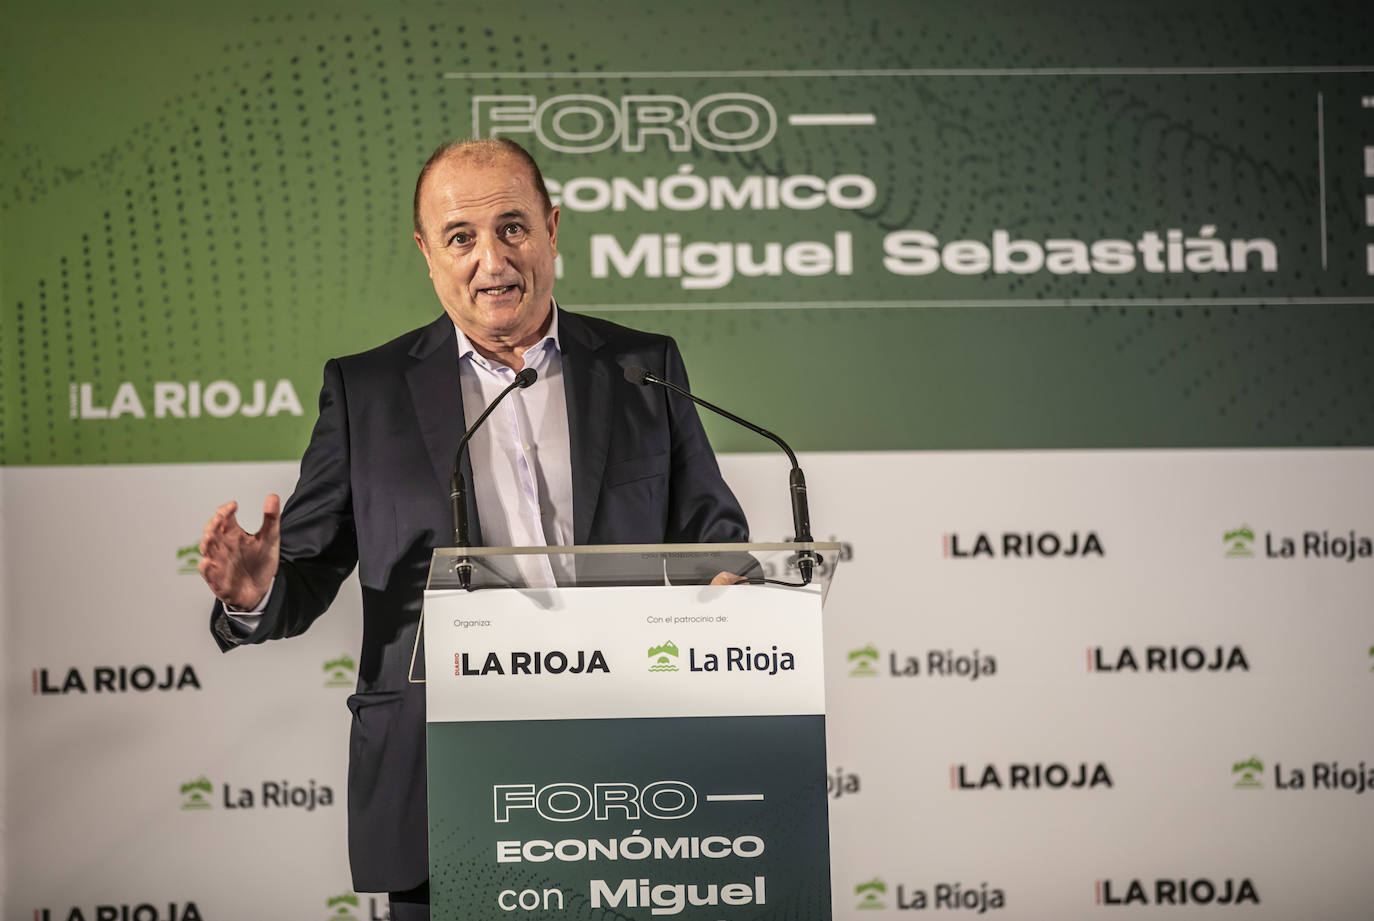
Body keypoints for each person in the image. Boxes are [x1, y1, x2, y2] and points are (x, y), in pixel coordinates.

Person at [197, 138, 750, 918]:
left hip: (627, 766)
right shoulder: (368, 391)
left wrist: (733, 596)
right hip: (442, 774)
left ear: (553, 229)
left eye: (514, 228)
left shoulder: (640, 367)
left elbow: (711, 533)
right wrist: (256, 592)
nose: (492, 259)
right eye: (461, 237)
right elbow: (308, 572)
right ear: (427, 253)